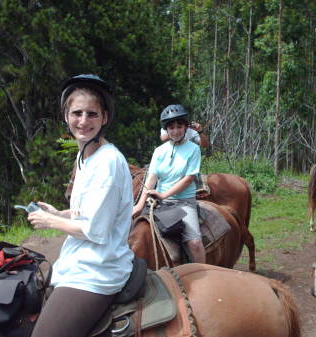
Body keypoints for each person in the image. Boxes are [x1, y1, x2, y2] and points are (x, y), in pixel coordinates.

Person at [28, 74, 134, 337]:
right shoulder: (85, 155)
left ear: (105, 118)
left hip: (96, 270)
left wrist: (49, 222)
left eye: (92, 114)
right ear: (66, 116)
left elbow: (95, 230)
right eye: (77, 113)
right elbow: (89, 210)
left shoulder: (107, 162)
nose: (84, 121)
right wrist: (58, 212)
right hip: (77, 261)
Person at [133, 104, 206, 263]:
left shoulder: (193, 149)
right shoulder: (159, 151)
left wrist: (163, 194)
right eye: (171, 127)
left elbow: (188, 179)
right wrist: (139, 206)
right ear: (166, 129)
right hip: (159, 202)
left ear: (186, 127)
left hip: (184, 202)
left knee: (194, 243)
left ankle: (204, 272)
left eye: (179, 126)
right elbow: (151, 178)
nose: (175, 130)